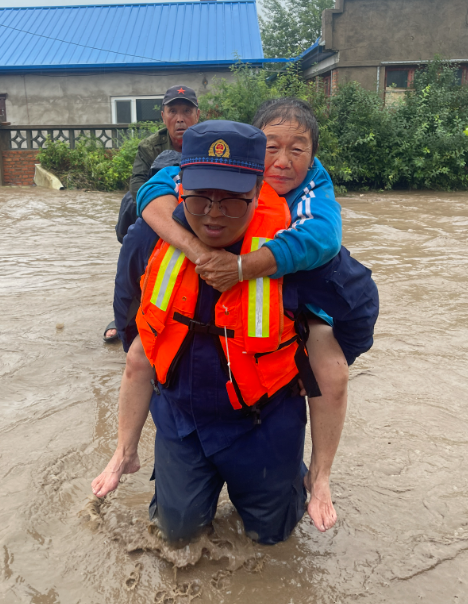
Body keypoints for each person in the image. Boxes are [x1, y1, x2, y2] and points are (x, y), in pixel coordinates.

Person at [92, 120, 379, 544]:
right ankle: (132, 459)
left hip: (263, 419)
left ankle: (304, 479)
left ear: (258, 191)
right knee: (177, 532)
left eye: (232, 201)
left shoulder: (297, 248)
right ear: (181, 186)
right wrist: (142, 345)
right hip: (183, 417)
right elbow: (129, 297)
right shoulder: (149, 235)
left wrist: (317, 362)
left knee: (273, 535)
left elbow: (360, 305)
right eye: (200, 198)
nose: (213, 213)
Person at [104, 85, 200, 342]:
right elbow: (137, 187)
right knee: (132, 221)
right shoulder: (150, 146)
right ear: (163, 116)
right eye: (173, 111)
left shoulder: (209, 140)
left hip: (199, 210)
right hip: (158, 208)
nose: (180, 118)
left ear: (197, 115)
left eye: (187, 111)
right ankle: (125, 314)